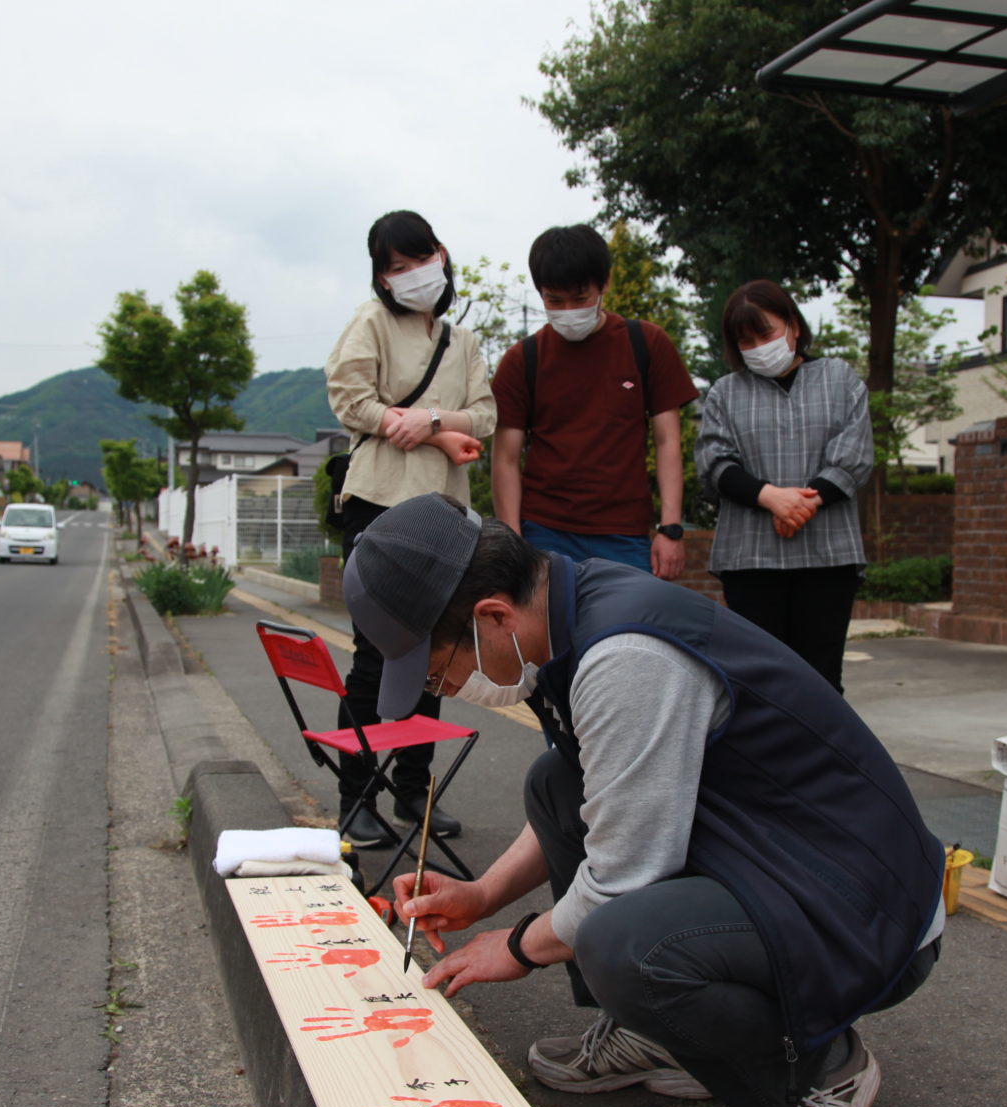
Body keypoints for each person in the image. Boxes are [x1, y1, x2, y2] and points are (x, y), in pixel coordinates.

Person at [342, 493, 945, 1107]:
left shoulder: (625, 656)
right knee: (554, 783)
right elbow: (604, 802)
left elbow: (623, 878)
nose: (443, 688)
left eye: (438, 669)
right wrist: (482, 896)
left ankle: (816, 1071)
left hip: (859, 906)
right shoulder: (565, 612)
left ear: (493, 616)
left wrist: (512, 945)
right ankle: (660, 1034)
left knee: (623, 947)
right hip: (772, 859)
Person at [324, 210, 495, 849]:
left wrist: (427, 421)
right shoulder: (372, 323)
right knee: (376, 655)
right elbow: (347, 397)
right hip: (379, 504)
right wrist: (407, 422)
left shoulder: (464, 343)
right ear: (381, 278)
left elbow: (485, 414)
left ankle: (415, 797)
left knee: (436, 656)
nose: (406, 276)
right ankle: (357, 797)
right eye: (392, 268)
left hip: (446, 517)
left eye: (414, 261)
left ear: (440, 255)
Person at [490, 224, 698, 580]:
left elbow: (667, 441)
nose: (568, 310)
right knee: (550, 635)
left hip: (625, 534)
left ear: (605, 283)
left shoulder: (646, 344)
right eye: (554, 301)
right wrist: (513, 541)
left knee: (626, 632)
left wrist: (671, 527)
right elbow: (505, 458)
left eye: (580, 297)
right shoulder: (522, 359)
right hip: (544, 532)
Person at [694, 280, 874, 692]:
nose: (759, 345)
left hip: (829, 556)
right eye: (747, 340)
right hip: (751, 558)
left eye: (767, 333)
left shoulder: (839, 378)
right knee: (759, 678)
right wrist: (771, 497)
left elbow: (855, 452)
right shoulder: (725, 393)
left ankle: (824, 757)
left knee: (823, 678)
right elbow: (714, 461)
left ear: (793, 325)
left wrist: (803, 503)